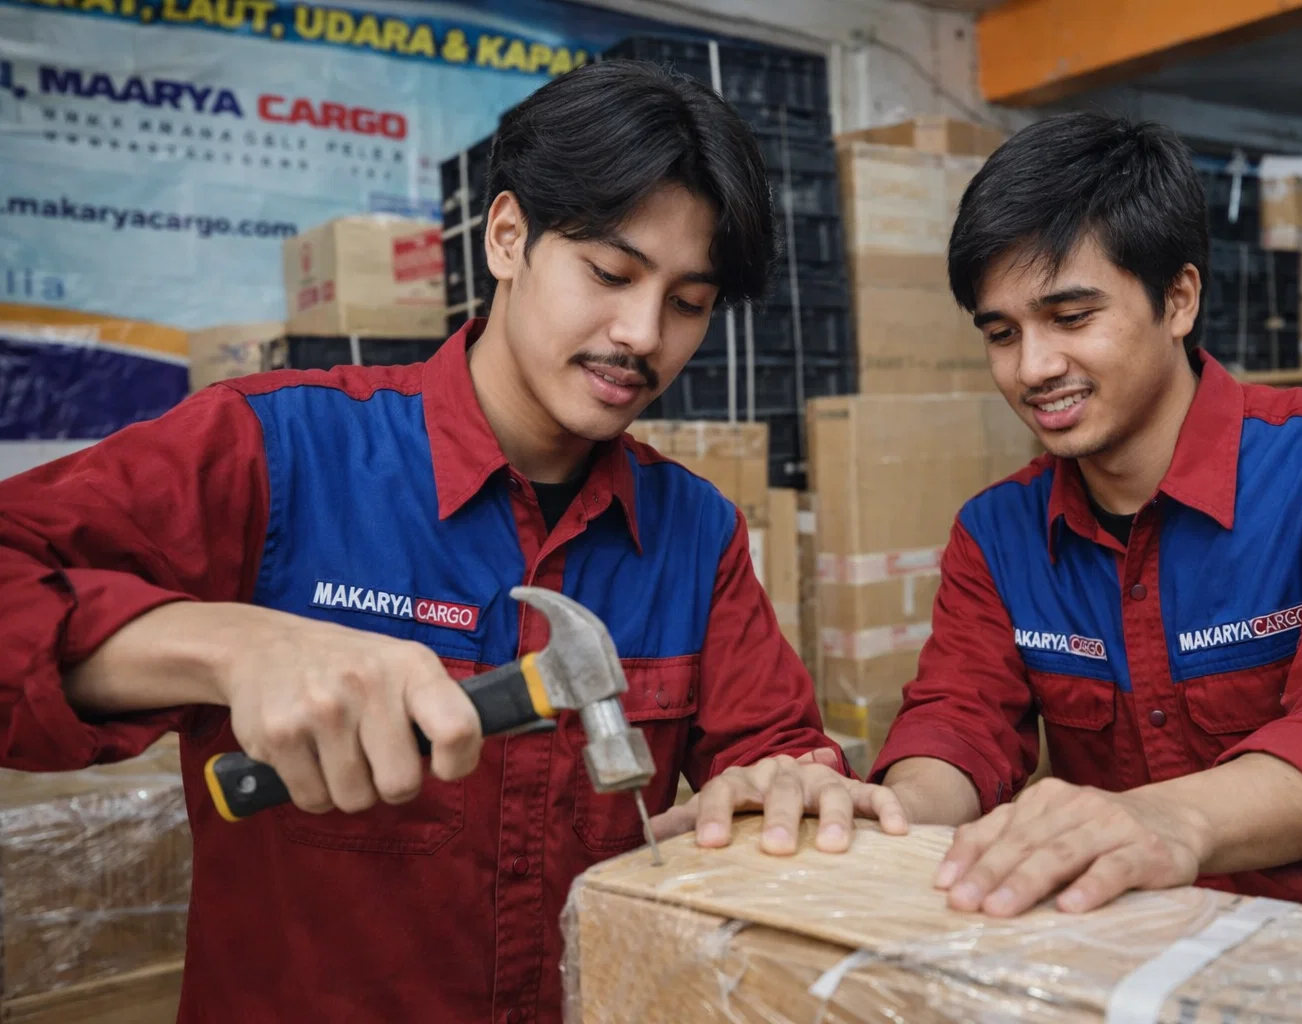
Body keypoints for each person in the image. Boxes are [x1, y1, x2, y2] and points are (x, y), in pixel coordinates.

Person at [0, 59, 903, 1024]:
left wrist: (790, 789)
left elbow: (775, 751)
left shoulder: (694, 530)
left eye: (688, 303)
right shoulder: (276, 449)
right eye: (609, 272)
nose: (642, 334)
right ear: (507, 236)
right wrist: (228, 644)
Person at [684, 111, 1302, 936]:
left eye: (1071, 317)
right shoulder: (998, 532)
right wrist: (888, 811)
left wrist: (1168, 821)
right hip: (1141, 976)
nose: (1033, 368)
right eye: (1002, 333)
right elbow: (960, 719)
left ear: (1179, 299)